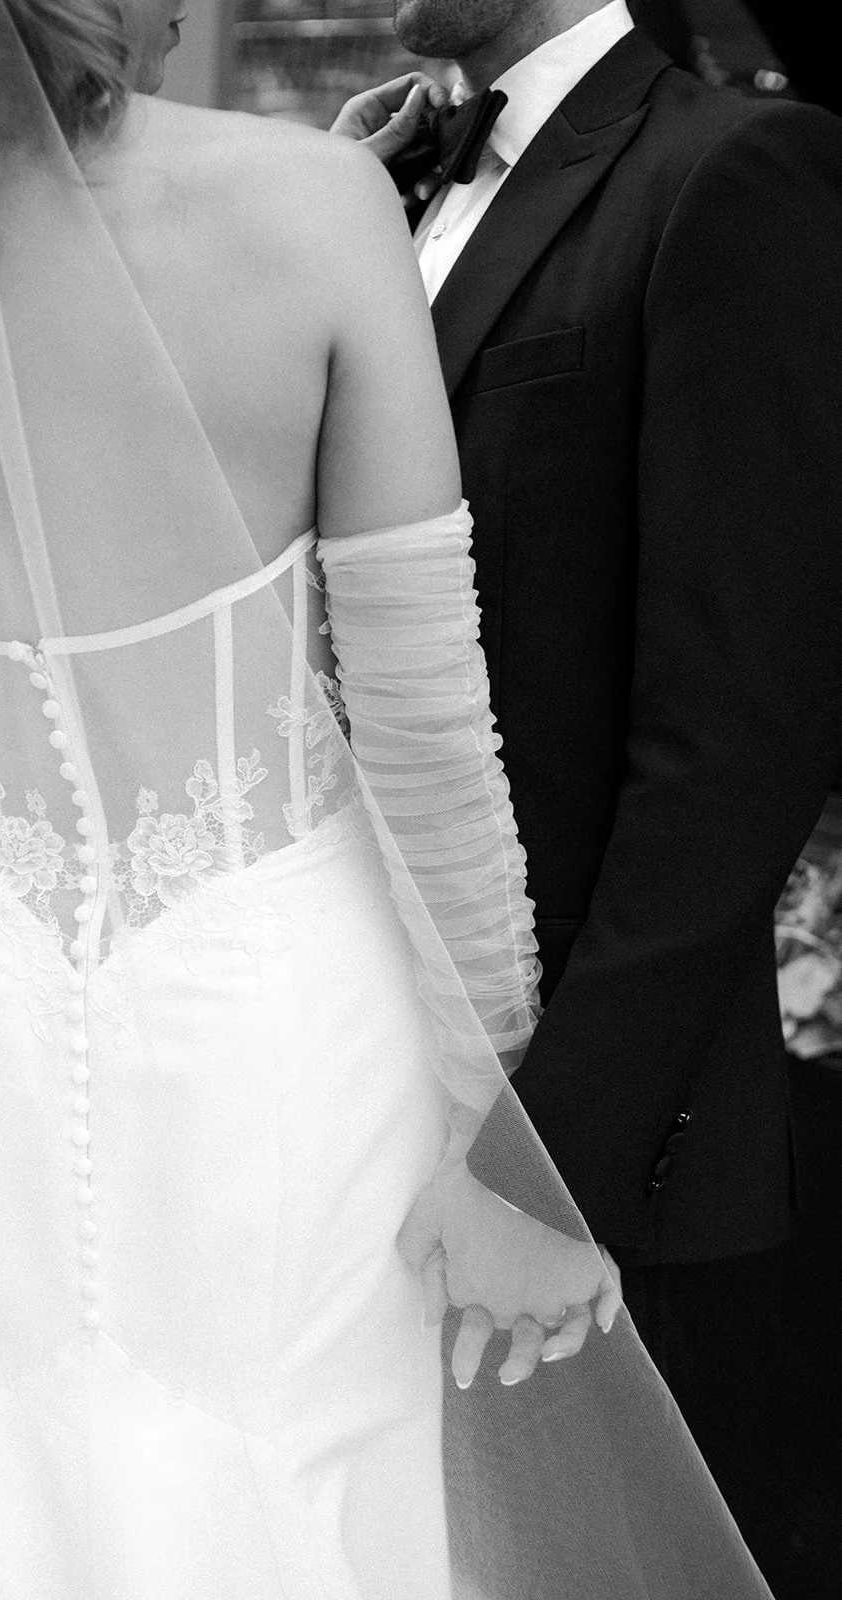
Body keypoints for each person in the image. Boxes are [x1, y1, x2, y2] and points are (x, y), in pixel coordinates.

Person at [0, 4, 782, 1599]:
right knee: (309, 1478)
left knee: (20, 1466)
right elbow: (424, 731)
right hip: (278, 1021)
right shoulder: (303, 216)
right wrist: (513, 1143)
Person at [330, 0, 842, 1579]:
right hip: (337, 1077)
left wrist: (544, 1169)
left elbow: (741, 733)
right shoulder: (367, 189)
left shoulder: (733, 172)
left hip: (586, 1132)